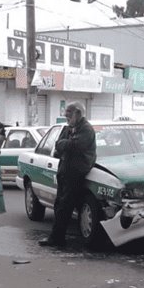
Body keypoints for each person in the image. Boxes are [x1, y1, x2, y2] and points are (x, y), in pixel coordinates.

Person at [39, 101, 97, 247]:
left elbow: (74, 146)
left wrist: (65, 144)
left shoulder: (86, 129)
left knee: (65, 206)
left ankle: (57, 238)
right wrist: (65, 144)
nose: (67, 118)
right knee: (59, 205)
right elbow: (58, 146)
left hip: (76, 173)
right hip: (64, 171)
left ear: (78, 113)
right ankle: (56, 237)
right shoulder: (68, 128)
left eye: (69, 114)